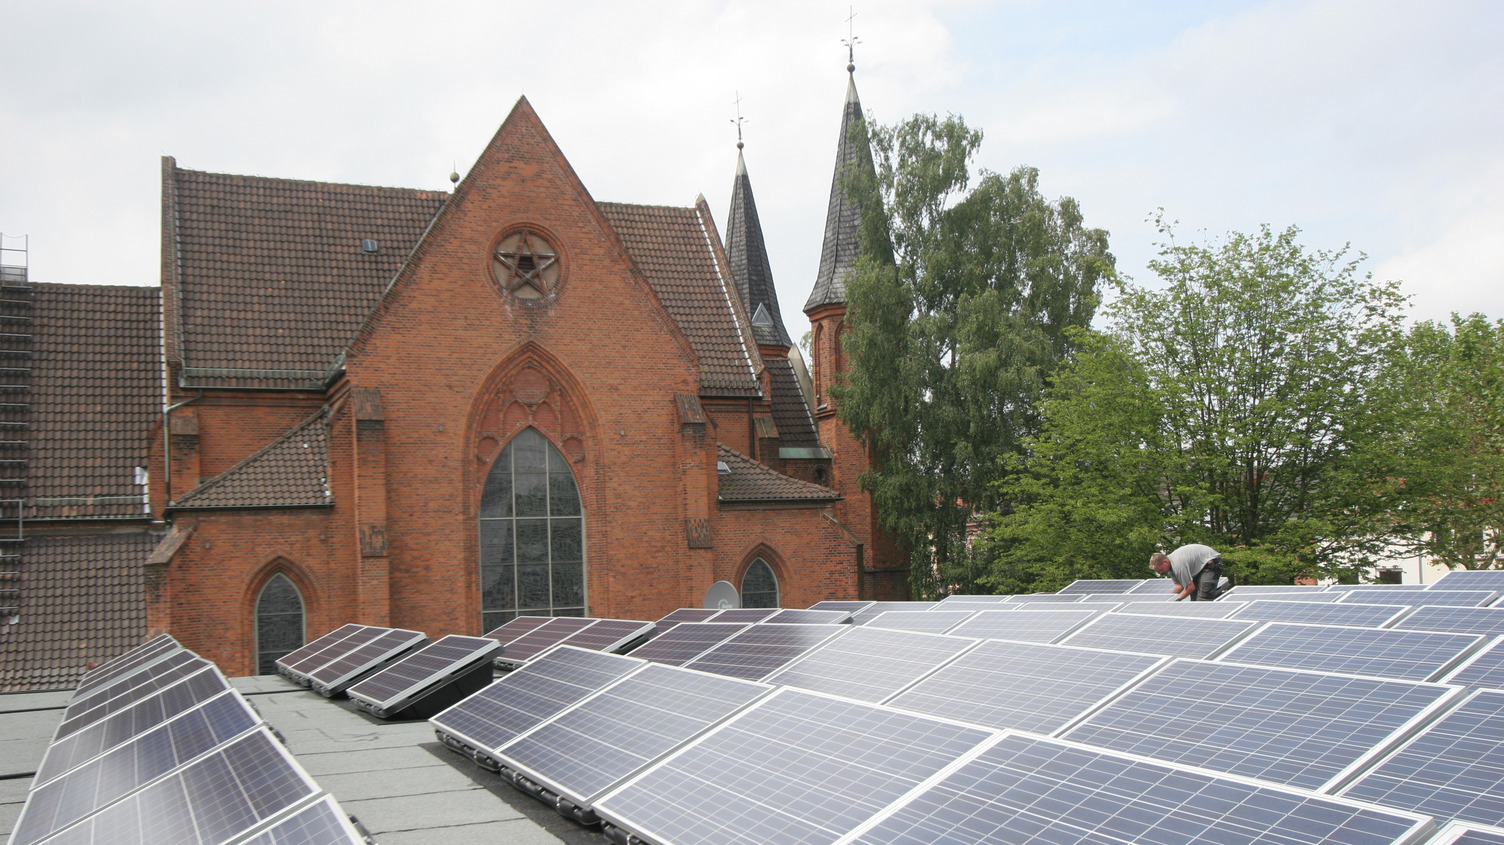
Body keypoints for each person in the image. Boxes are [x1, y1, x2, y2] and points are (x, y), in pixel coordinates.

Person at [1149, 544, 1224, 601]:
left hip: (1210, 562)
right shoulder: (1170, 567)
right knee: (1194, 599)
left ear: (1165, 561)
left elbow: (1190, 587)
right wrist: (1169, 599)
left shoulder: (1178, 565)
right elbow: (1180, 585)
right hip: (1200, 566)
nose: (1161, 572)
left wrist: (1178, 600)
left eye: (1160, 569)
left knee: (1203, 598)